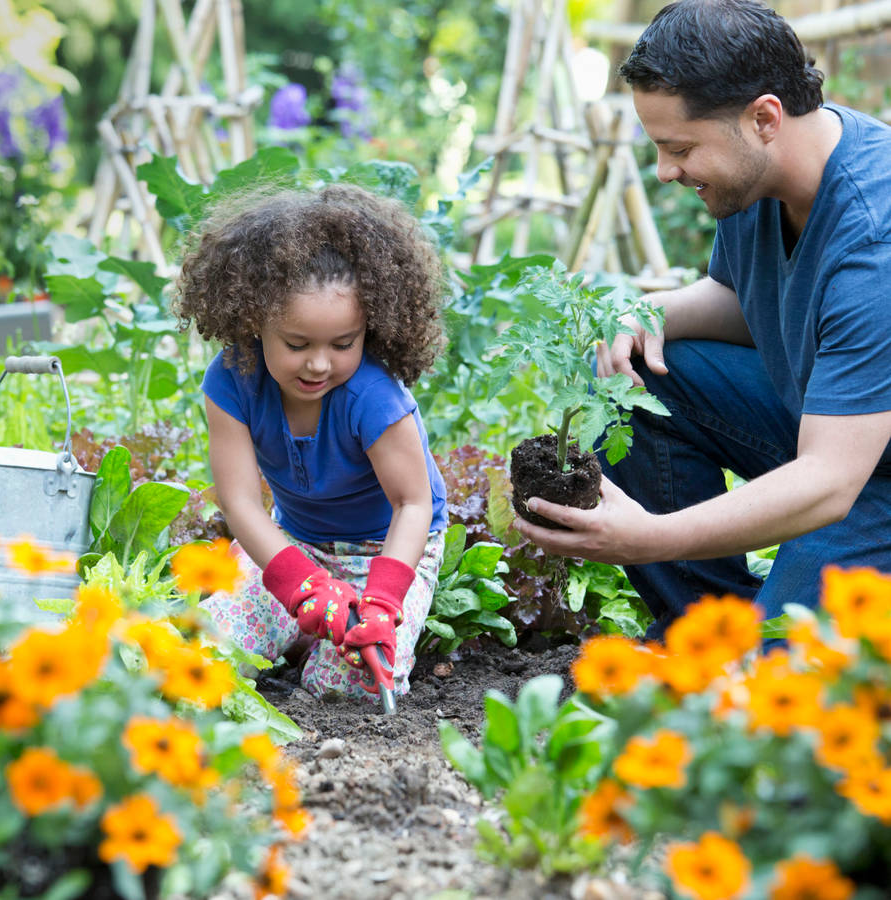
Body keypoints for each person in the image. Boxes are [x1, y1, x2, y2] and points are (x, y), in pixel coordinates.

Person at [514, 0, 891, 640]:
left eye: (679, 147)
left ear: (764, 117)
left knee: (783, 682)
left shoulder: (874, 242)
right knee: (632, 373)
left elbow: (830, 482)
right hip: (837, 435)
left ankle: (749, 645)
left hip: (858, 474)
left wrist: (650, 538)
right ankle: (708, 623)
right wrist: (644, 313)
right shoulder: (758, 178)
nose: (665, 172)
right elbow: (754, 301)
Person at [173, 183, 449, 700]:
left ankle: (313, 639)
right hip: (293, 540)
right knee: (208, 655)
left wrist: (383, 603)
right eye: (297, 344)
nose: (320, 363)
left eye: (344, 344)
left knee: (346, 691)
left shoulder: (372, 397)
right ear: (256, 323)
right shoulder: (233, 380)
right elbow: (239, 502)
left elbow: (413, 503)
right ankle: (301, 624)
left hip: (384, 550)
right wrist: (303, 585)